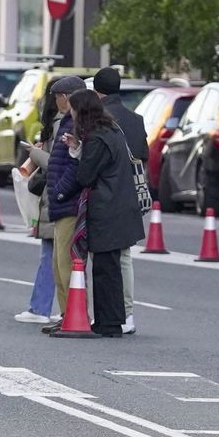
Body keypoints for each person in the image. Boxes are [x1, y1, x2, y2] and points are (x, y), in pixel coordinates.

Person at [68, 89, 145, 337]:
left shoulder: (97, 138)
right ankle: (110, 320)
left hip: (106, 209)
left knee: (105, 269)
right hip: (119, 205)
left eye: (73, 109)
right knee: (110, 267)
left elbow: (85, 175)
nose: (71, 113)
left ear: (82, 111)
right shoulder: (111, 131)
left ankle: (108, 323)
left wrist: (77, 154)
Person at [93, 67, 150, 336]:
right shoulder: (136, 119)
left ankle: (106, 313)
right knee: (125, 256)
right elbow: (143, 155)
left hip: (105, 195)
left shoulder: (98, 120)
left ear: (97, 90)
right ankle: (127, 313)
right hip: (131, 196)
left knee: (102, 259)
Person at [44, 76, 88, 334]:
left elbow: (75, 166)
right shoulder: (66, 123)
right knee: (58, 265)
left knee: (67, 264)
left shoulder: (76, 125)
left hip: (68, 204)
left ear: (69, 96)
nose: (57, 100)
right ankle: (65, 313)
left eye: (59, 95)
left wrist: (59, 192)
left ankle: (73, 313)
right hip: (61, 204)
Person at [14, 115, 57, 325]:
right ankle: (69, 311)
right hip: (60, 201)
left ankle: (41, 308)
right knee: (65, 259)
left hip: (59, 200)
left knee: (53, 257)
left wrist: (36, 154)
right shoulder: (68, 122)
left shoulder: (63, 123)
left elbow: (56, 164)